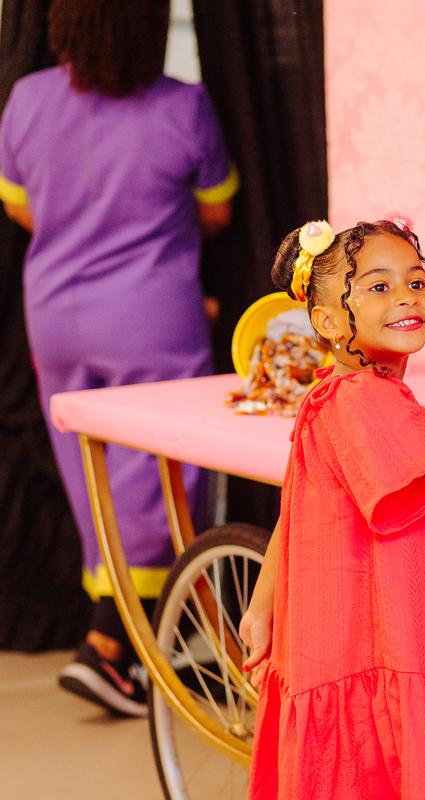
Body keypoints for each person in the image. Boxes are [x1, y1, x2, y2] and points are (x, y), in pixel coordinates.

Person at [0, 0, 236, 716]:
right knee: (163, 473)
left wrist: (79, 223)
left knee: (91, 471)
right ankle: (111, 644)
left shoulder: (28, 98)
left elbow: (18, 205)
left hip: (54, 315)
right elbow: (218, 209)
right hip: (149, 314)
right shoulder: (183, 106)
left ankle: (130, 636)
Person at [238, 217, 425, 798]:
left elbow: (294, 510)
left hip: (325, 650)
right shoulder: (366, 401)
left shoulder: (330, 392)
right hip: (370, 651)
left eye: (416, 281)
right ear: (328, 321)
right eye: (378, 287)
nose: (406, 297)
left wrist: (260, 607)